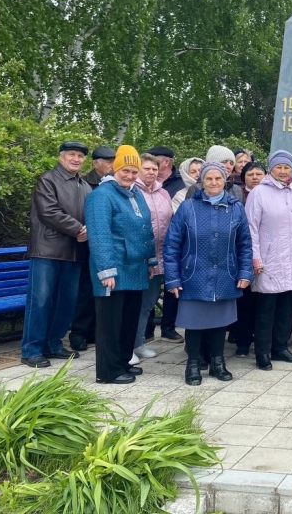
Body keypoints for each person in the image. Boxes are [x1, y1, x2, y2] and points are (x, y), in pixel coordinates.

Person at [163, 161, 253, 385]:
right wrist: (173, 277)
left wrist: (245, 272)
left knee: (219, 323)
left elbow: (244, 244)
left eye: (218, 178)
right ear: (202, 181)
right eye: (209, 178)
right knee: (193, 323)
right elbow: (172, 244)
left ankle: (217, 363)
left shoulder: (235, 207)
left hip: (225, 274)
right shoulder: (188, 207)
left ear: (225, 181)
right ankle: (193, 364)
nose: (213, 182)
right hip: (193, 275)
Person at [85, 145, 156, 385]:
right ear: (115, 168)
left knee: (128, 320)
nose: (130, 175)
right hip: (114, 269)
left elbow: (146, 228)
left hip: (135, 267)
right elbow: (99, 234)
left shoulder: (135, 193)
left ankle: (123, 362)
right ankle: (108, 371)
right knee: (110, 323)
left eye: (134, 171)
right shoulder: (101, 195)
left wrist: (151, 258)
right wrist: (106, 270)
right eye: (125, 170)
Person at [21, 141, 92, 368]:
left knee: (66, 302)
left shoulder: (85, 185)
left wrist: (88, 230)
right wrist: (79, 229)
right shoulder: (47, 179)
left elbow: (91, 213)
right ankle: (31, 350)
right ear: (61, 156)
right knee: (40, 301)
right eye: (72, 154)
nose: (76, 159)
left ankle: (53, 344)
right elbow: (49, 211)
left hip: (74, 252)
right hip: (48, 251)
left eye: (80, 156)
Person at [245, 150, 292, 370]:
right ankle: (262, 351)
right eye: (278, 167)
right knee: (266, 309)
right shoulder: (259, 193)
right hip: (269, 260)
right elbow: (251, 229)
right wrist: (254, 257)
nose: (283, 171)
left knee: (286, 306)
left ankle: (280, 347)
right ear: (271, 168)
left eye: (286, 167)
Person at [70, 145, 115, 351]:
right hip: (86, 243)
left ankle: (96, 331)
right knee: (86, 290)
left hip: (107, 243)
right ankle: (78, 333)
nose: (112, 165)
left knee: (104, 290)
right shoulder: (86, 183)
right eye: (108, 162)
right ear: (97, 163)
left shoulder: (114, 184)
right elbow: (79, 210)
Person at [132, 153, 173, 362]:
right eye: (146, 168)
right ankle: (126, 347)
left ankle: (138, 343)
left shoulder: (163, 193)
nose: (151, 172)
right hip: (137, 259)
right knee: (132, 304)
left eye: (154, 169)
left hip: (159, 259)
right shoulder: (131, 191)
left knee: (147, 305)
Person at [232, 159, 267, 356]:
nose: (255, 178)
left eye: (258, 174)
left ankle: (262, 340)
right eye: (250, 174)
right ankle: (242, 341)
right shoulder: (238, 195)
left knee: (262, 303)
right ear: (244, 177)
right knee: (244, 302)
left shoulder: (272, 195)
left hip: (267, 256)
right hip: (241, 255)